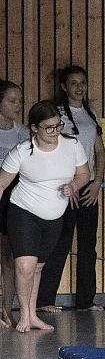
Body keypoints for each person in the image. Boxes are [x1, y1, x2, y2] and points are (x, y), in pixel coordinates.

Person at [0, 101, 89, 332]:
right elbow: (1, 184)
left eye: (58, 126)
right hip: (23, 211)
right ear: (34, 128)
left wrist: (74, 186)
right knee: (25, 265)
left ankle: (32, 315)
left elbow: (83, 173)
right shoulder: (22, 151)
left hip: (54, 217)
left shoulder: (72, 145)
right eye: (49, 127)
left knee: (38, 267)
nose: (55, 131)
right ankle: (25, 315)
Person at [39, 64, 105, 313]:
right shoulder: (56, 113)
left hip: (89, 187)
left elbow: (100, 151)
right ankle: (45, 299)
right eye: (74, 83)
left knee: (88, 244)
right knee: (60, 242)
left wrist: (97, 182)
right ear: (64, 87)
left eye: (83, 83)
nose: (79, 88)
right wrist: (69, 184)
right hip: (64, 187)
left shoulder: (91, 114)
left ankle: (86, 300)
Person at [0, 81, 26, 325]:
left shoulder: (23, 133)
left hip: (12, 198)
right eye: (12, 101)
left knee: (8, 258)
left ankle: (7, 310)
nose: (17, 105)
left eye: (19, 100)